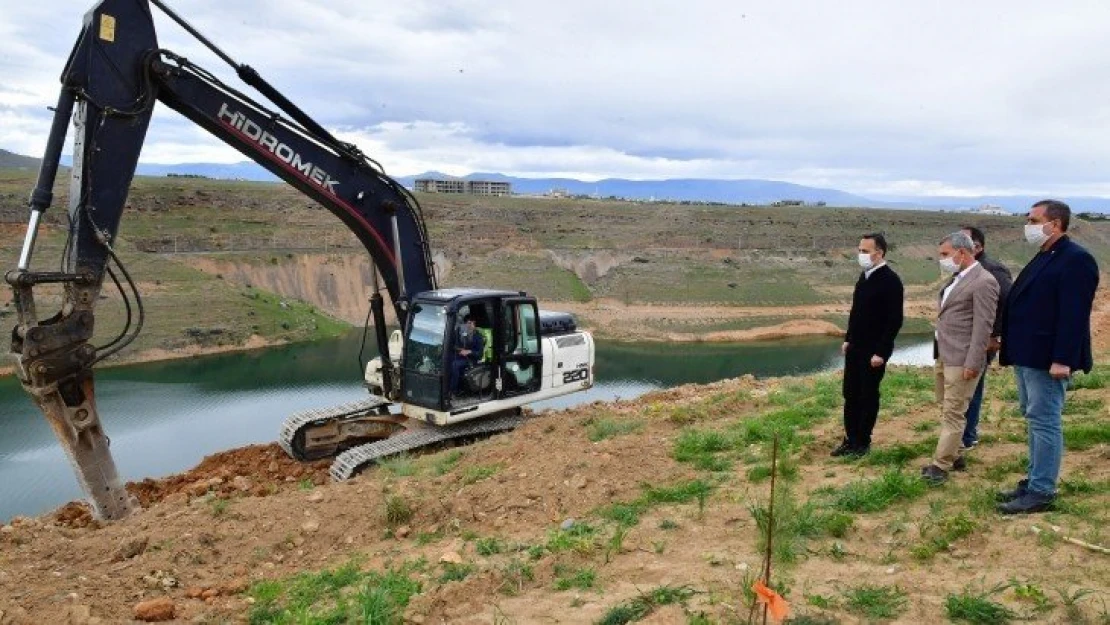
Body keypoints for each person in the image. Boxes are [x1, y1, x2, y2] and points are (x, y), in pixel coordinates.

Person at [998, 200, 1099, 514]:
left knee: (1044, 421)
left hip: (1047, 358)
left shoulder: (1076, 260)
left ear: (1055, 224)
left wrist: (1063, 358)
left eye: (1033, 220)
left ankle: (1042, 490)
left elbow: (1074, 315)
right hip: (1028, 354)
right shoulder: (1046, 255)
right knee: (1034, 419)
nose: (1028, 225)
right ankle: (1034, 479)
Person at [921, 232, 999, 484]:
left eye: (945, 254)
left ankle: (940, 465)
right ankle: (954, 456)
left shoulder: (984, 281)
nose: (942, 260)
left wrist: (974, 362)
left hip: (963, 359)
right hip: (945, 354)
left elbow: (983, 326)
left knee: (954, 412)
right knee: (946, 407)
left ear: (962, 253)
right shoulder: (957, 279)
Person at [835, 233, 904, 457]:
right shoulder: (863, 277)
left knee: (867, 394)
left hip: (873, 351)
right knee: (850, 393)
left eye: (865, 251)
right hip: (855, 347)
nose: (861, 255)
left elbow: (894, 320)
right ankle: (850, 438)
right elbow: (856, 313)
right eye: (860, 250)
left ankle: (863, 442)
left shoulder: (890, 281)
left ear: (879, 253)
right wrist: (848, 338)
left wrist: (881, 352)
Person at [958, 226, 1013, 451]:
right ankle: (961, 433)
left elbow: (1008, 304)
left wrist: (995, 336)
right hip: (962, 340)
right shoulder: (965, 268)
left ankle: (967, 436)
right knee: (963, 387)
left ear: (978, 246)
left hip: (981, 340)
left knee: (972, 386)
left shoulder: (993, 270)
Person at [449, 314, 485, 398]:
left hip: (470, 359)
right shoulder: (459, 333)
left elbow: (480, 354)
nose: (471, 325)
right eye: (469, 323)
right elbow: (452, 344)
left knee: (455, 365)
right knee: (446, 361)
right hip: (458, 355)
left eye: (473, 323)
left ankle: (453, 391)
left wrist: (469, 352)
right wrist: (459, 349)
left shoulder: (478, 336)